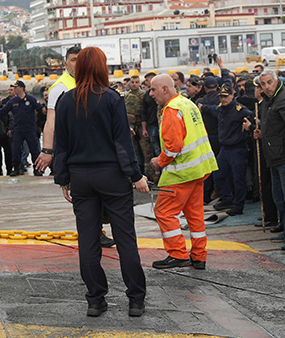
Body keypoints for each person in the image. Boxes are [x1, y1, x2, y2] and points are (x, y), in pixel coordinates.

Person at [51, 47, 150, 318]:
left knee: (88, 241)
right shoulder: (111, 99)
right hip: (112, 175)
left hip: (80, 177)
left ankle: (95, 300)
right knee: (125, 238)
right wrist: (136, 176)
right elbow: (122, 144)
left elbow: (61, 144)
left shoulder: (66, 100)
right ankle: (136, 300)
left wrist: (63, 179)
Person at [149, 73, 218, 269]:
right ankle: (199, 256)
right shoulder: (187, 104)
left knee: (163, 212)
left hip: (181, 173)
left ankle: (178, 254)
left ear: (164, 89)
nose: (151, 94)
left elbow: (173, 147)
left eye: (153, 89)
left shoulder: (172, 109)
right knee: (194, 215)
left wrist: (158, 162)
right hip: (199, 169)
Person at [255, 70, 285, 250]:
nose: (267, 86)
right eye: (263, 84)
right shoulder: (267, 101)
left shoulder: (283, 100)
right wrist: (261, 132)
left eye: (269, 82)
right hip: (273, 156)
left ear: (276, 82)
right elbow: (272, 125)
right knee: (278, 196)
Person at [36, 45, 82, 176]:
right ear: (66, 64)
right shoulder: (60, 88)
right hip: (71, 147)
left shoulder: (91, 82)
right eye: (73, 60)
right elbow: (51, 120)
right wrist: (47, 150)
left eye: (80, 60)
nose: (77, 63)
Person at [212, 79, 252, 215]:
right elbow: (211, 109)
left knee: (238, 179)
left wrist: (248, 128)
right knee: (218, 175)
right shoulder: (221, 109)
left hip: (237, 148)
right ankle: (227, 199)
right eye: (221, 97)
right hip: (225, 148)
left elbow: (252, 118)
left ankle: (238, 206)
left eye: (225, 96)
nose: (223, 99)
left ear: (232, 95)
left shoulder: (239, 109)